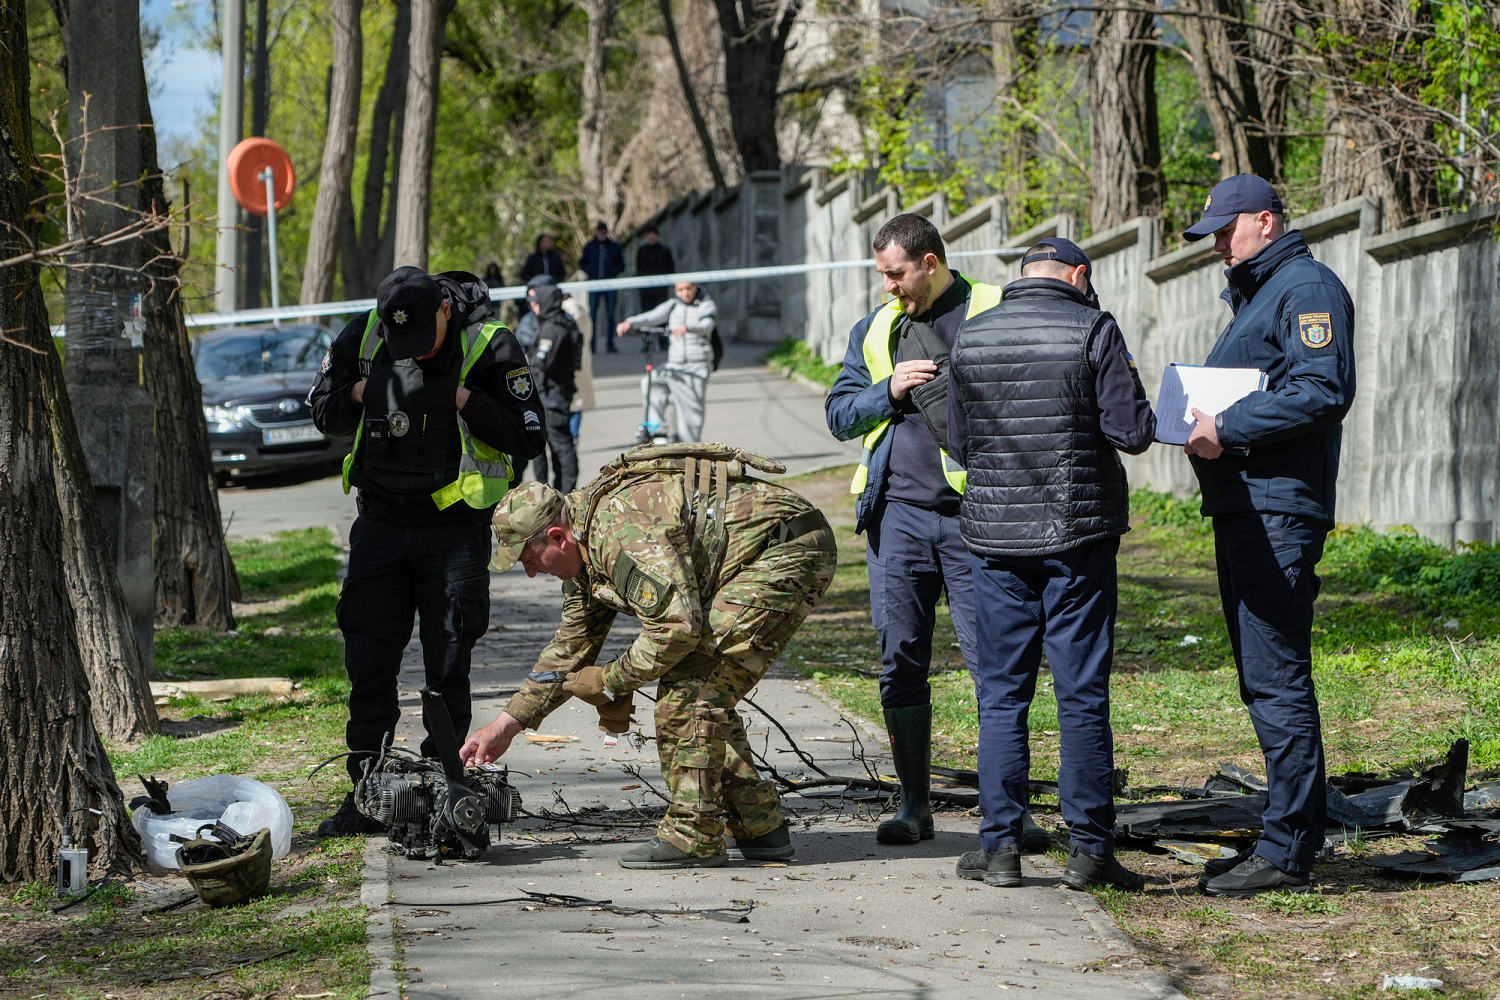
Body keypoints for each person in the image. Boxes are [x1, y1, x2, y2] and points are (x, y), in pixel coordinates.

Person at [460, 448, 839, 869]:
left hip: (786, 550)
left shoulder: (618, 534)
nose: (532, 572)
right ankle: (758, 825)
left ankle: (693, 835)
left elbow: (677, 628)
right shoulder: (583, 554)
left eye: (531, 560)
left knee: (690, 694)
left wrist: (610, 681)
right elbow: (569, 648)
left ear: (556, 537)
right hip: (755, 557)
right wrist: (506, 725)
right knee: (698, 689)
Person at [825, 213, 1048, 850]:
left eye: (896, 273)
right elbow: (839, 415)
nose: (889, 286)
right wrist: (888, 391)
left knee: (995, 665)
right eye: (882, 275)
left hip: (981, 521)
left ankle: (1010, 810)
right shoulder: (876, 329)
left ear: (930, 261)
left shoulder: (996, 309)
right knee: (900, 660)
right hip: (897, 519)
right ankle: (914, 805)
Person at [946, 238, 1156, 891]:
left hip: (995, 542)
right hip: (1077, 539)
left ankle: (1000, 850)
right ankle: (1089, 851)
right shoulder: (1094, 328)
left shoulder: (972, 334)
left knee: (1002, 695)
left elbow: (959, 442)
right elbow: (1131, 432)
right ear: (1079, 275)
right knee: (1081, 694)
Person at [308, 265, 546, 836]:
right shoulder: (365, 334)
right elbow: (321, 410)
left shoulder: (490, 344)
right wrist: (362, 392)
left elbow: (530, 434)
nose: (412, 351)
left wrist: (459, 398)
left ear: (444, 309)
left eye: (422, 338)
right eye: (401, 341)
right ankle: (367, 792)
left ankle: (447, 789)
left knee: (448, 662)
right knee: (368, 660)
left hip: (453, 529)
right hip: (381, 521)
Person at [1180, 174, 1355, 898]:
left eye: (1227, 230)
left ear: (1266, 221)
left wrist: (1227, 426)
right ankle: (1288, 835)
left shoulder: (1305, 287)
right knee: (1265, 677)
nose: (1218, 244)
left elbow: (1322, 390)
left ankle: (1288, 852)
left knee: (1277, 678)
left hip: (1277, 512)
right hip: (1249, 508)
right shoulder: (1261, 291)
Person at [616, 280, 717, 443]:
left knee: (691, 416)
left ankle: (690, 447)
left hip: (696, 366)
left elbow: (707, 325)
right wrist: (630, 323)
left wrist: (688, 327)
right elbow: (651, 317)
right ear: (676, 290)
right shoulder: (673, 305)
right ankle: (658, 431)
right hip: (674, 365)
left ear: (695, 288)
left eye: (688, 288)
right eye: (680, 289)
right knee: (650, 382)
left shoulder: (706, 305)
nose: (685, 293)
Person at [526, 281, 584, 492]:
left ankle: (566, 491)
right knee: (550, 446)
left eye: (536, 302)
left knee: (561, 445)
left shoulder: (554, 328)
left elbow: (541, 362)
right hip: (553, 392)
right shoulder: (557, 321)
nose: (533, 306)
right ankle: (556, 490)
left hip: (552, 395)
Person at [579, 221, 626, 352]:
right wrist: (591, 271)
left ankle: (610, 344)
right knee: (592, 315)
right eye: (599, 231)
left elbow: (621, 265)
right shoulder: (589, 247)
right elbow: (582, 263)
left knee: (611, 315)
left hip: (610, 284)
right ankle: (592, 345)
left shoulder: (614, 247)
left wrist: (612, 272)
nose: (601, 233)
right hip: (594, 284)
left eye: (603, 231)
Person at [634, 225, 676, 314]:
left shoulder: (665, 250)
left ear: (657, 236)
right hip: (646, 289)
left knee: (662, 312)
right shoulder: (642, 251)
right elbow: (638, 268)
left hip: (661, 289)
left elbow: (670, 268)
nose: (651, 237)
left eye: (653, 234)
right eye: (649, 235)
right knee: (646, 313)